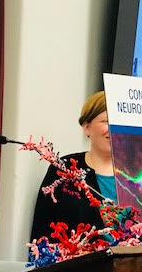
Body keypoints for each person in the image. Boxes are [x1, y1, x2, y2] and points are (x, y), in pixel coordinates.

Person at [31, 91, 115, 240]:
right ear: (86, 127)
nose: (115, 128)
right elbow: (42, 230)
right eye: (106, 121)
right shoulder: (64, 169)